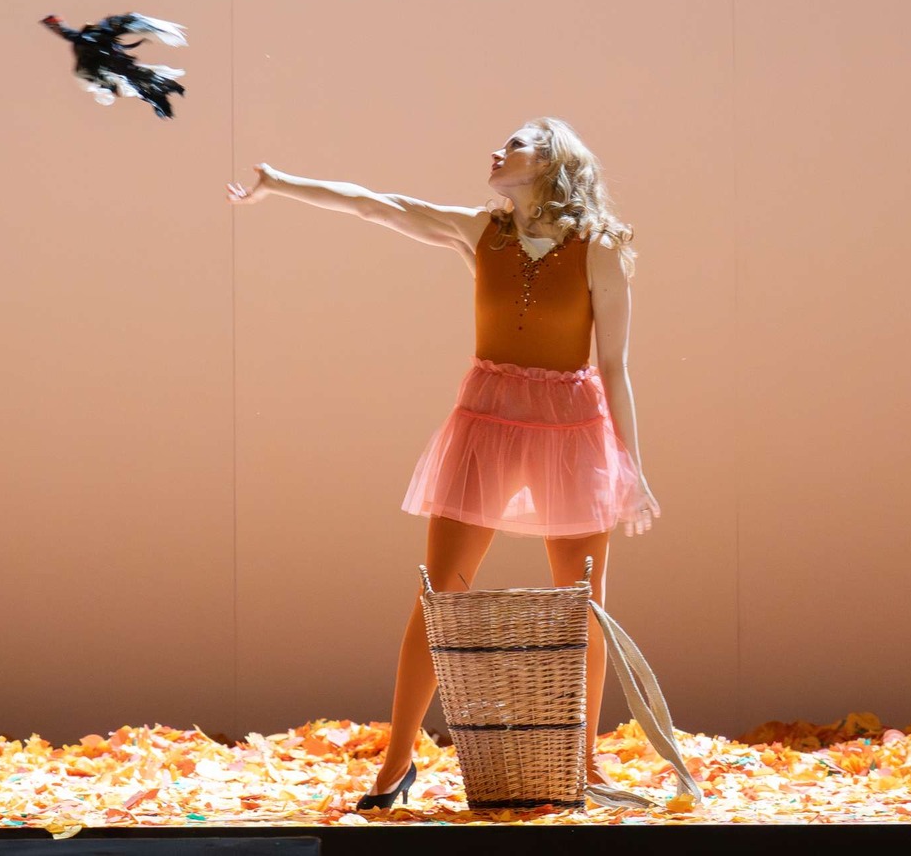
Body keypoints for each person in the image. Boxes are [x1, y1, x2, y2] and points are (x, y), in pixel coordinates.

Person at [225, 117, 660, 809]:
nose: (495, 149)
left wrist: (631, 468)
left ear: (550, 163)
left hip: (570, 428)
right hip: (487, 420)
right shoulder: (479, 231)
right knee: (439, 599)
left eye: (514, 142)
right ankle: (397, 764)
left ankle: (586, 762)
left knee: (584, 607)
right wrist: (282, 185)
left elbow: (614, 366)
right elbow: (379, 205)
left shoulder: (598, 249)